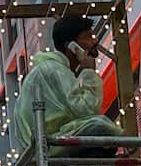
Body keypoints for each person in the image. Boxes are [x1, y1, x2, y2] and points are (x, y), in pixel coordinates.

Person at [10, 15, 124, 156]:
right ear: (71, 46)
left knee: (102, 133)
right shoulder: (56, 70)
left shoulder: (52, 68)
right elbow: (87, 110)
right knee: (99, 125)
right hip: (49, 145)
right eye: (88, 37)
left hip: (44, 146)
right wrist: (88, 73)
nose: (95, 41)